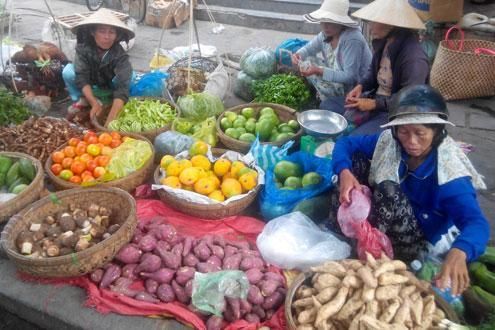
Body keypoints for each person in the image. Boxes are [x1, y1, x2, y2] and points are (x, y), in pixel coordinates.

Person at [329, 85, 489, 296]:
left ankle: (376, 252)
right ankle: (343, 227)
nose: (411, 141)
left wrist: (461, 251)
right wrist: (344, 172)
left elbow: (477, 223)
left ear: (437, 132)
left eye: (420, 133)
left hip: (419, 237)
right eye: (404, 132)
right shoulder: (391, 142)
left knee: (388, 190)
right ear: (395, 131)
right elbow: (345, 143)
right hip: (392, 208)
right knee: (355, 162)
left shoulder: (450, 176)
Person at [321, 0, 429, 135]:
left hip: (396, 112)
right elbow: (372, 73)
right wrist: (360, 86)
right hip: (375, 99)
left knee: (356, 139)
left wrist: (374, 104)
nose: (370, 27)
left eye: (372, 22)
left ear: (390, 25)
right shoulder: (383, 42)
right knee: (328, 106)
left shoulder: (414, 57)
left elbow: (411, 99)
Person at [62, 9, 134, 126]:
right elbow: (82, 76)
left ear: (116, 35)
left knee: (131, 77)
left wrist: (111, 120)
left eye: (112, 32)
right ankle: (83, 99)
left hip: (109, 82)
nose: (107, 37)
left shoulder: (120, 55)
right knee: (68, 71)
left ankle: (109, 100)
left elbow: (122, 87)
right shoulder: (83, 48)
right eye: (102, 31)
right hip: (91, 80)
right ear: (92, 32)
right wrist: (94, 103)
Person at [291, 0, 372, 101]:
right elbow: (308, 49)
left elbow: (350, 76)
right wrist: (298, 54)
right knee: (307, 59)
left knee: (314, 70)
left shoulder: (352, 39)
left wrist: (318, 70)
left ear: (341, 22)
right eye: (323, 21)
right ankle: (326, 97)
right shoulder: (326, 34)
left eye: (330, 22)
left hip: (354, 89)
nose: (325, 26)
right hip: (338, 78)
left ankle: (331, 100)